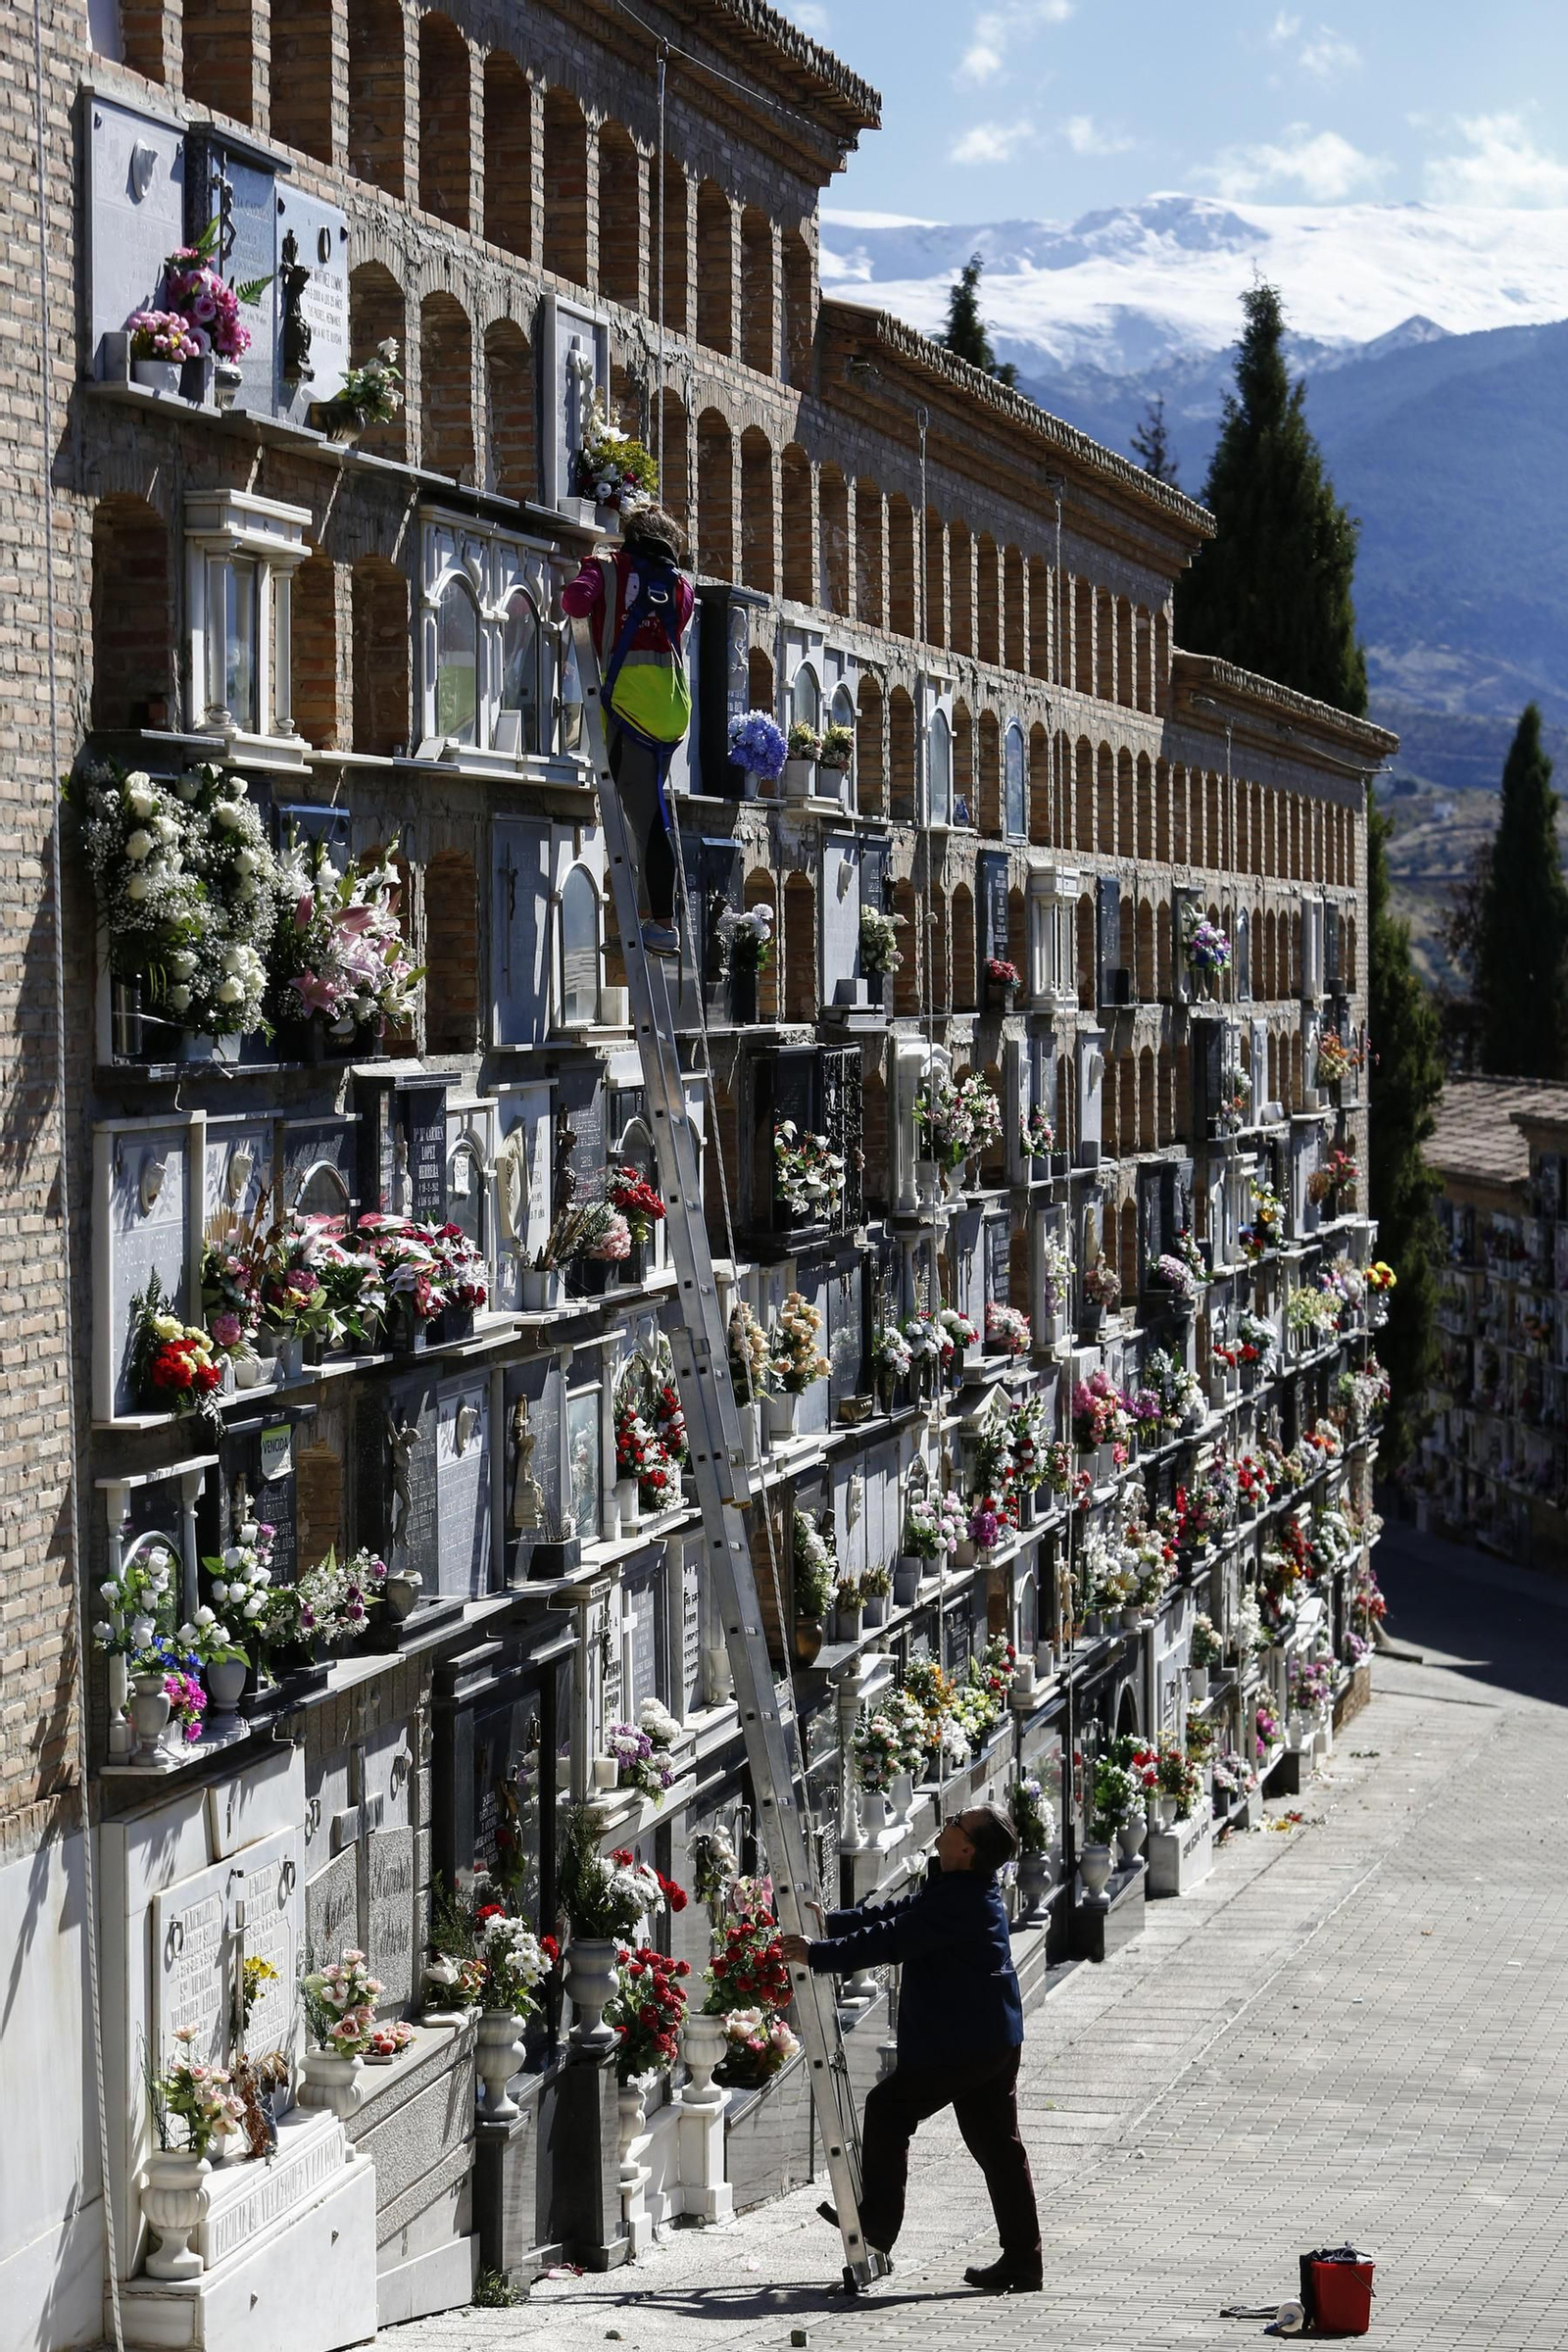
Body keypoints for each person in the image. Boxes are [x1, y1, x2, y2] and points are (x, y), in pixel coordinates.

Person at [780, 1803, 1042, 2295]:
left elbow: (892, 1940)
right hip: (991, 2038)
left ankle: (878, 2225)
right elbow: (894, 1916)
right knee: (999, 2150)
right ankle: (1024, 2261)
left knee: (889, 2108)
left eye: (957, 1823)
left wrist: (815, 1955)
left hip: (968, 2043)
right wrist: (832, 1924)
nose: (947, 1824)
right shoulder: (954, 1883)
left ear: (968, 1847)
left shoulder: (961, 1901)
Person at [561, 503, 694, 959]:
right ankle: (650, 920)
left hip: (627, 707)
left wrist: (587, 570)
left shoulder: (606, 567)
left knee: (650, 822)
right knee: (648, 814)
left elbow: (576, 602)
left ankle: (662, 926)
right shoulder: (681, 586)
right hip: (671, 709)